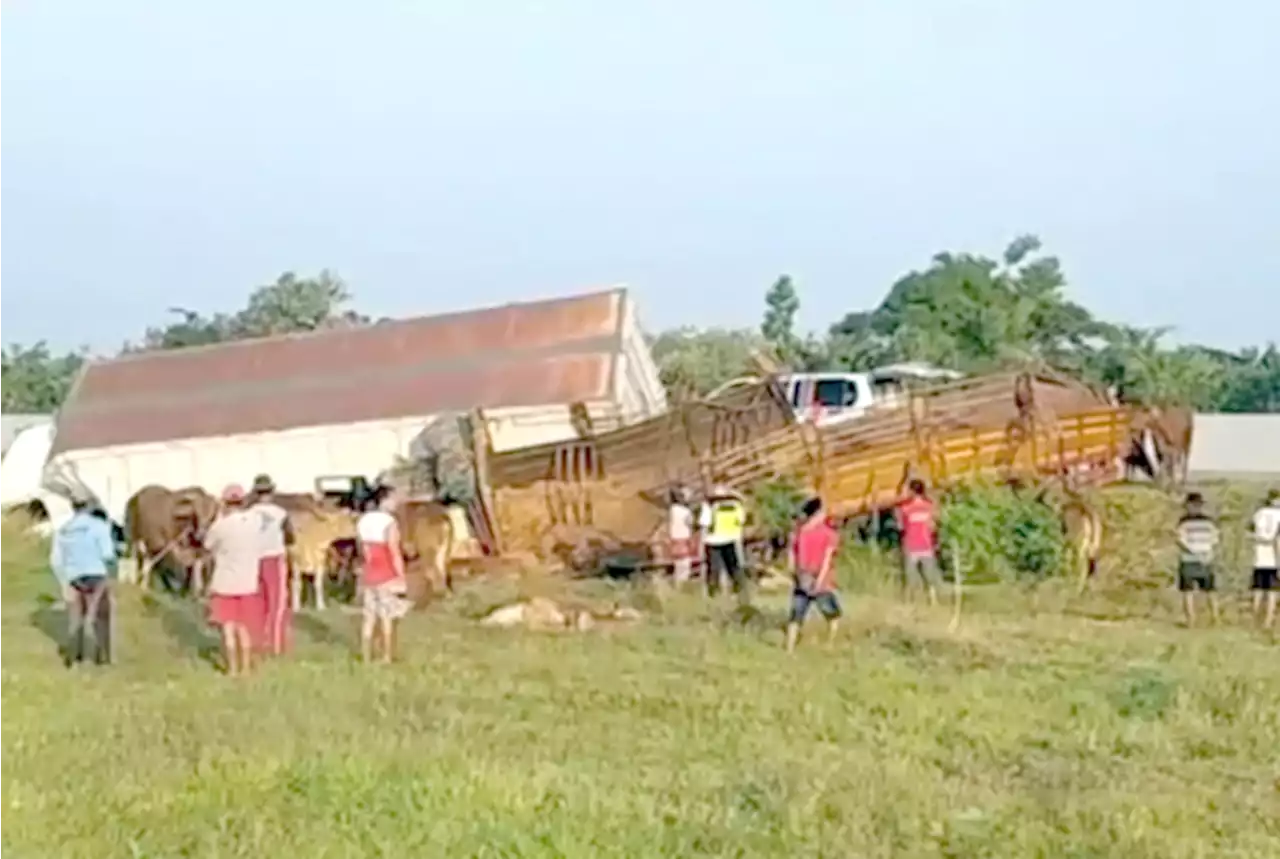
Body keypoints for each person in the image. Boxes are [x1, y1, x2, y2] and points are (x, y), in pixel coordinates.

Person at [49, 491, 118, 667]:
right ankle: (102, 657)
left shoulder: (63, 530)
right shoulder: (99, 526)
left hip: (73, 577)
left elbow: (56, 560)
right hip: (96, 575)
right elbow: (107, 554)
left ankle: (73, 658)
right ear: (89, 507)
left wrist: (63, 580)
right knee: (100, 616)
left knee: (75, 618)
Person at [203, 484, 265, 676]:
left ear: (224, 503)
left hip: (224, 583)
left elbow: (207, 545)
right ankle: (246, 668)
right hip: (247, 582)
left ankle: (232, 669)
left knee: (228, 629)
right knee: (244, 628)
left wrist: (217, 516)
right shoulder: (253, 523)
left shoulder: (220, 527)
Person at [356, 487, 410, 664]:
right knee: (386, 615)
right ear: (384, 500)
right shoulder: (389, 522)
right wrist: (400, 575)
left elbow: (361, 549)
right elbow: (394, 550)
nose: (396, 502)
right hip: (385, 571)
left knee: (369, 616)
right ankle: (386, 656)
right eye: (393, 499)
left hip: (368, 571)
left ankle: (366, 656)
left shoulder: (363, 520)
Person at [785, 496, 842, 652]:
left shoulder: (798, 532)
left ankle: (789, 648)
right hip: (820, 580)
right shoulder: (828, 534)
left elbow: (791, 554)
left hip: (801, 576)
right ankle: (830, 644)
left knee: (796, 616)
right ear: (817, 513)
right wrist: (821, 579)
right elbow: (826, 559)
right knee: (833, 615)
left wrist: (792, 573)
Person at [249, 473, 295, 656]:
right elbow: (290, 537)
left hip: (253, 559)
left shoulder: (249, 514)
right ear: (272, 492)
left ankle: (258, 642)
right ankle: (276, 645)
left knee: (258, 602)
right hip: (274, 558)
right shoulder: (281, 513)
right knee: (277, 602)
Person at [1175, 492, 1221, 627]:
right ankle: (1215, 617)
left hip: (1188, 559)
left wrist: (1193, 550)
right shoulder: (1209, 522)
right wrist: (1206, 552)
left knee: (1188, 591)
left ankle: (1191, 620)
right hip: (1206, 559)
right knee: (1210, 590)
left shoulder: (1183, 522)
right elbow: (1215, 539)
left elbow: (1180, 540)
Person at [698, 485, 749, 602]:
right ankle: (740, 595)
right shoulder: (736, 505)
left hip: (713, 541)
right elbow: (741, 520)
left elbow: (704, 523)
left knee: (714, 571)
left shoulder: (709, 505)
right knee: (735, 570)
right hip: (731, 539)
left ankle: (713, 596)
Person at [895, 479, 941, 606]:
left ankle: (909, 601)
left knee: (910, 577)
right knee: (929, 576)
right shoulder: (929, 506)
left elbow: (900, 526)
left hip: (911, 545)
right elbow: (934, 523)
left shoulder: (905, 508)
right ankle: (933, 601)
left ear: (912, 491)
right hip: (926, 545)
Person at [1249, 490, 1280, 628]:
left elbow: (1251, 530)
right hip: (1274, 559)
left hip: (1259, 557)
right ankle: (1268, 621)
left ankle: (1255, 618)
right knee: (1273, 591)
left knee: (1258, 589)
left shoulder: (1259, 513)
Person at [667, 486, 696, 584]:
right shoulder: (686, 512)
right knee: (684, 565)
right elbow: (691, 523)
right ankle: (682, 584)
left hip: (674, 539)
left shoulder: (672, 509)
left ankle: (677, 583)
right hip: (684, 538)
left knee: (678, 564)